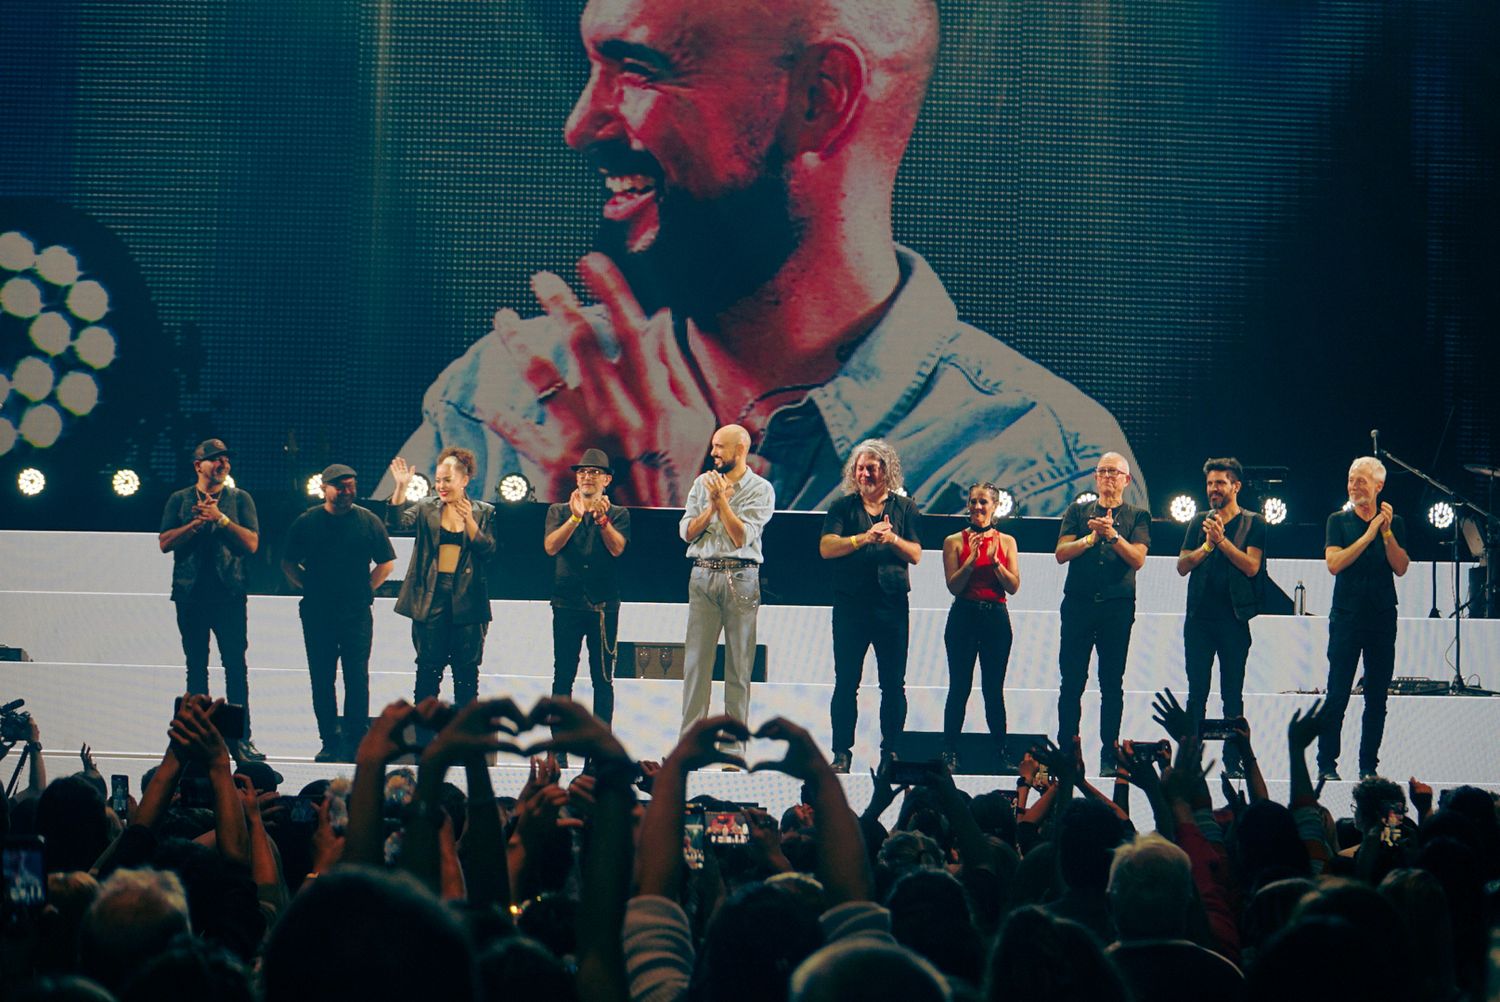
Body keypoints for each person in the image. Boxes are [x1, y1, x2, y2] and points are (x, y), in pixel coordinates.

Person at [381, 0, 1145, 515]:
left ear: (822, 98)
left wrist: (653, 539)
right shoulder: (504, 390)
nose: (580, 124)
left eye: (639, 70)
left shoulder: (1047, 463)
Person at [819, 439, 923, 773]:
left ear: (886, 471)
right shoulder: (842, 507)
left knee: (893, 683)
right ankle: (841, 753)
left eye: (872, 468)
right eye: (861, 468)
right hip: (851, 605)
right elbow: (827, 548)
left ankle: (891, 751)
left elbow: (916, 554)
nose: (865, 473)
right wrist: (864, 538)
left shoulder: (905, 508)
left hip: (891, 605)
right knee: (846, 681)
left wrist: (891, 538)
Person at [281, 463, 397, 762]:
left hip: (356, 612)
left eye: (351, 486)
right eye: (341, 486)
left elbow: (386, 562)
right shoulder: (307, 522)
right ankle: (329, 740)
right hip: (318, 612)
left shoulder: (367, 521)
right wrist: (310, 586)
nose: (347, 492)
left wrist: (365, 588)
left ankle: (356, 741)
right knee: (322, 678)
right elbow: (289, 562)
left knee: (356, 677)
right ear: (325, 488)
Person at [157, 438, 263, 762]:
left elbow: (252, 543)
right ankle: (199, 738)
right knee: (196, 667)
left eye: (225, 460)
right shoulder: (180, 499)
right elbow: (164, 542)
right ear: (198, 465)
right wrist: (195, 524)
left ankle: (239, 738)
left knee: (235, 666)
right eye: (215, 459)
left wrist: (220, 519)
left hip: (229, 594)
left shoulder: (239, 499)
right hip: (191, 594)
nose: (222, 464)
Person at [678, 425, 774, 754]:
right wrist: (711, 504)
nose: (714, 452)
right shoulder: (700, 484)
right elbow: (687, 532)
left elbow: (740, 536)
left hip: (742, 577)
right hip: (703, 576)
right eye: (713, 445)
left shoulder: (761, 489)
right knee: (696, 665)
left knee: (739, 665)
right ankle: (690, 746)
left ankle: (733, 748)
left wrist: (723, 504)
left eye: (720, 447)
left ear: (740, 449)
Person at [1054, 452, 1150, 775]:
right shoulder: (1077, 512)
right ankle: (1066, 753)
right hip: (1079, 606)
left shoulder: (1138, 516)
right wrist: (1091, 537)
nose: (1108, 477)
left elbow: (1137, 559)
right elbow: (1061, 553)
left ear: (1127, 479)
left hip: (1116, 609)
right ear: (1095, 477)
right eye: (1103, 471)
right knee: (1071, 681)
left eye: (1114, 472)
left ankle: (1110, 754)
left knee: (1111, 683)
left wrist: (1112, 536)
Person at [1174, 457, 1267, 778]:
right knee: (1196, 692)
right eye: (1210, 483)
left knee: (1232, 694)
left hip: (1234, 620)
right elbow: (1183, 565)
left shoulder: (1253, 522)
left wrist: (1222, 541)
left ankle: (1233, 761)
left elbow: (1251, 566)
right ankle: (1190, 762)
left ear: (1235, 486)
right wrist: (1208, 546)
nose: (1213, 489)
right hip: (1198, 619)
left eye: (1220, 483)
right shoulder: (1199, 521)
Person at [1319, 455, 1409, 781]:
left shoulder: (1394, 523)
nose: (1355, 486)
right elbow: (1334, 563)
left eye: (1362, 480)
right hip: (1346, 617)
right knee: (1337, 693)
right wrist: (1368, 535)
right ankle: (1326, 763)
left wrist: (1384, 534)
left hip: (1382, 619)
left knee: (1376, 698)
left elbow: (1400, 567)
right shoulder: (1337, 521)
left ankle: (1368, 766)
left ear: (1378, 486)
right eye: (1351, 479)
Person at [387, 447, 497, 706]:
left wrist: (468, 520)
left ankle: (464, 738)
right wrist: (401, 488)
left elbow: (488, 550)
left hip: (468, 601)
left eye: (447, 480)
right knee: (428, 669)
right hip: (430, 597)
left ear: (464, 480)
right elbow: (396, 523)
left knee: (466, 673)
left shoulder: (484, 511)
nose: (440, 486)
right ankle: (424, 738)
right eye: (438, 480)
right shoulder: (426, 508)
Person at [542, 447, 631, 761]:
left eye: (594, 472)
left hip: (604, 606)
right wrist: (576, 517)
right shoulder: (558, 511)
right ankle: (560, 747)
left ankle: (600, 749)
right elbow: (551, 547)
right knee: (562, 675)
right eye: (582, 472)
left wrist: (602, 520)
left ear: (606, 479)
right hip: (566, 603)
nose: (587, 477)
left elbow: (619, 549)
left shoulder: (618, 514)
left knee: (602, 678)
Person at [939, 482, 1020, 772]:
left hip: (995, 617)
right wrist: (971, 562)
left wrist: (997, 564)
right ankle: (949, 751)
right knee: (959, 687)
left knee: (993, 689)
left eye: (983, 502)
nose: (976, 507)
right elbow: (954, 586)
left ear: (994, 506)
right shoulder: (954, 541)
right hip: (964, 616)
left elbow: (1013, 587)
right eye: (973, 501)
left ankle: (1001, 750)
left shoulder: (1007, 541)